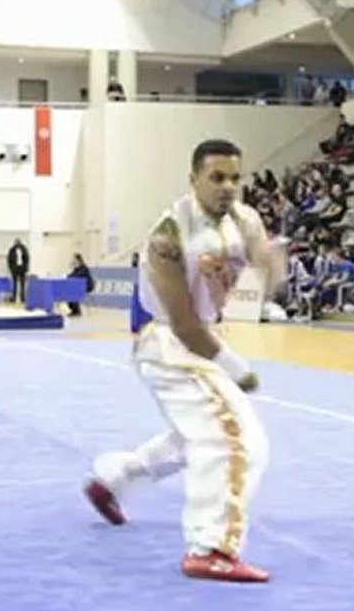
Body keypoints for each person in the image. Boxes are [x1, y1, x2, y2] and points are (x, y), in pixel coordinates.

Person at [84, 139, 282, 583]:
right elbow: (186, 322)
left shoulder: (246, 219)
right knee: (236, 440)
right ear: (194, 180)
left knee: (196, 434)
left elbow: (263, 258)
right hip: (171, 344)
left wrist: (271, 264)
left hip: (201, 339)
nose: (228, 186)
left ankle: (113, 479)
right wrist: (238, 369)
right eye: (216, 178)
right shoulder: (169, 235)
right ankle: (211, 546)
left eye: (235, 177)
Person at [6, 238, 30, 304]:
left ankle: (22, 298)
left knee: (22, 284)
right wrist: (11, 268)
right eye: (16, 242)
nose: (17, 244)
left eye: (18, 242)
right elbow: (9, 259)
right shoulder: (12, 250)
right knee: (14, 284)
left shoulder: (24, 249)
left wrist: (26, 268)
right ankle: (14, 297)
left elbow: (27, 258)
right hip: (15, 269)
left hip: (22, 269)